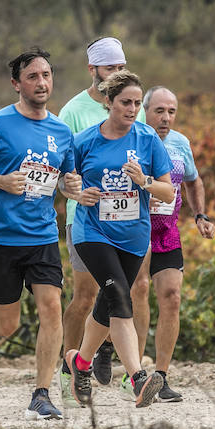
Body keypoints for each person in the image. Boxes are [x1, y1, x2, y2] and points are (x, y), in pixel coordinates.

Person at [0, 49, 82, 420]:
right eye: (32, 76)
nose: (42, 83)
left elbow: (66, 180)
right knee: (7, 323)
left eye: (46, 75)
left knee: (51, 308)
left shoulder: (62, 130)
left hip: (42, 234)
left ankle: (41, 393)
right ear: (16, 84)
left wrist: (71, 185)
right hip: (0, 234)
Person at [64, 70, 175, 408]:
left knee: (107, 304)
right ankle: (138, 378)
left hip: (133, 236)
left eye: (137, 103)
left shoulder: (147, 139)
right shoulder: (84, 140)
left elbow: (167, 190)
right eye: (125, 102)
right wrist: (78, 192)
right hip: (92, 232)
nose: (132, 109)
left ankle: (79, 363)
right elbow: (65, 181)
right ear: (108, 102)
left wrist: (144, 181)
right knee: (120, 298)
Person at [127, 86, 215, 402]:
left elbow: (193, 180)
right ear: (144, 111)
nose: (166, 118)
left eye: (172, 111)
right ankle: (135, 374)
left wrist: (201, 214)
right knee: (139, 291)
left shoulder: (180, 143)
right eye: (159, 111)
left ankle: (160, 377)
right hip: (135, 229)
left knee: (172, 297)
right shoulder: (131, 139)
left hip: (167, 231)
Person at [56, 36, 129, 402]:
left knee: (119, 291)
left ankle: (101, 349)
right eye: (110, 68)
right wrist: (75, 191)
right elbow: (60, 171)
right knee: (85, 295)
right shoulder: (73, 111)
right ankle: (69, 368)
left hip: (127, 218)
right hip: (84, 217)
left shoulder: (132, 104)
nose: (117, 74)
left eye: (121, 67)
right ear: (93, 70)